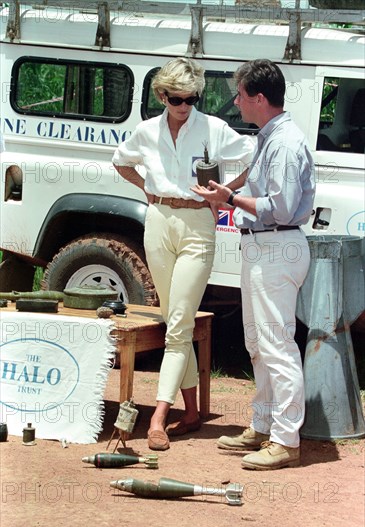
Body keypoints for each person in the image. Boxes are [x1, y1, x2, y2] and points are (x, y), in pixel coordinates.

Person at [112, 57, 254, 451]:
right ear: (162, 95)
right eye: (178, 98)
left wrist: (225, 193)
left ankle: (158, 416)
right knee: (177, 319)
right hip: (158, 221)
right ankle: (191, 413)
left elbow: (252, 156)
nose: (187, 105)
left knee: (178, 323)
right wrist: (148, 190)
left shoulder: (214, 128)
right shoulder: (145, 131)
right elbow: (119, 162)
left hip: (198, 225)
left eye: (193, 97)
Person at [192, 59, 315, 470]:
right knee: (258, 343)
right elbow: (259, 183)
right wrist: (228, 189)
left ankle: (285, 438)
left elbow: (277, 206)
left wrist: (226, 200)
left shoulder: (282, 143)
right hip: (265, 247)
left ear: (259, 98)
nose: (237, 103)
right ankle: (263, 425)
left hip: (276, 246)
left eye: (241, 95)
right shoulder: (271, 137)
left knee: (276, 346)